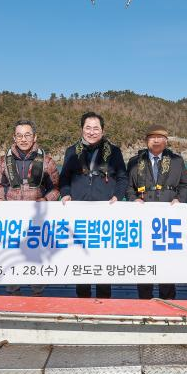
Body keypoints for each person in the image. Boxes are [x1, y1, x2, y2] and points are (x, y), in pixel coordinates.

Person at [59, 111, 127, 299]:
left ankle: (104, 299)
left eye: (96, 128)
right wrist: (65, 194)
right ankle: (83, 298)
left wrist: (118, 196)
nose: (91, 132)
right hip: (79, 213)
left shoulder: (114, 151)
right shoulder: (72, 151)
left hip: (104, 213)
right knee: (80, 256)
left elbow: (122, 178)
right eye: (87, 128)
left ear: (102, 130)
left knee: (103, 257)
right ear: (82, 129)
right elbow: (64, 177)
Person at [126, 124, 187, 300]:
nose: (156, 140)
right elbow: (129, 187)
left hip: (168, 219)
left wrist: (179, 200)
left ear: (166, 141)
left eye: (160, 137)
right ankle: (144, 299)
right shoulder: (134, 162)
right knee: (144, 259)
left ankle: (168, 298)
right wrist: (133, 199)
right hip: (143, 219)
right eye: (152, 137)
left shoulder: (177, 161)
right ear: (146, 140)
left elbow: (185, 185)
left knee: (167, 259)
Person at [0, 119, 61, 297]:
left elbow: (57, 188)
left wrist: (46, 199)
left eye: (27, 135)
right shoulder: (3, 161)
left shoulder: (47, 162)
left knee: (36, 258)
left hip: (36, 219)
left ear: (35, 137)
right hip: (11, 219)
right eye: (19, 135)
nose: (23, 139)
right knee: (11, 256)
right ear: (14, 137)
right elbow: (0, 185)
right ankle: (13, 293)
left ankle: (37, 293)